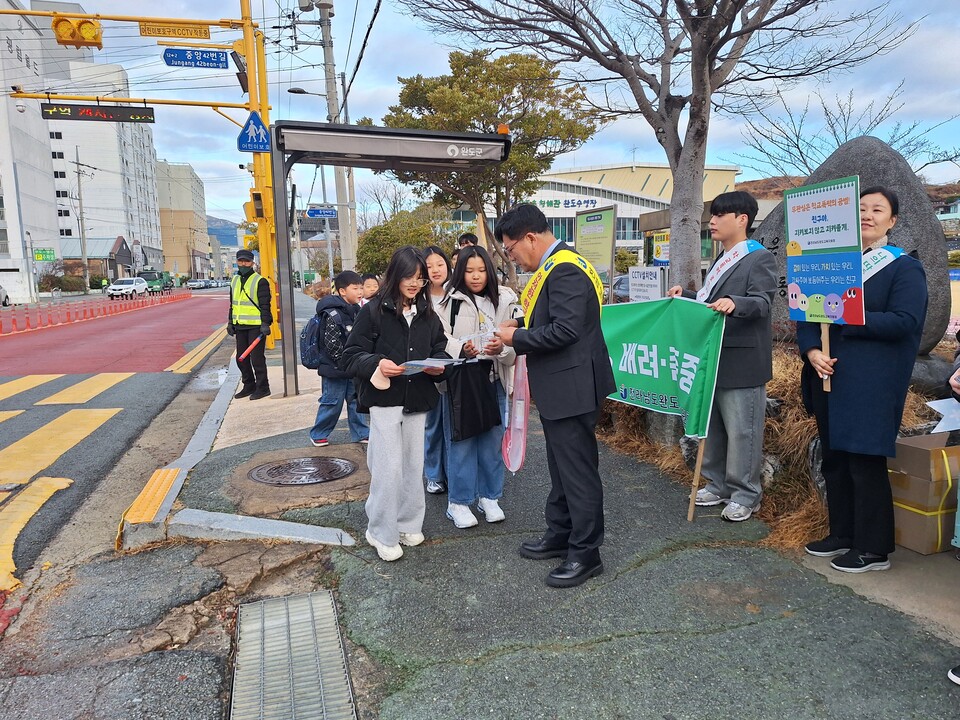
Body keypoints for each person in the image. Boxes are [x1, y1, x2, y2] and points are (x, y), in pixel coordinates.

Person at [800, 186, 927, 573]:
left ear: (893, 220)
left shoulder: (903, 267)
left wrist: (849, 316)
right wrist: (811, 351)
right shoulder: (834, 263)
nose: (867, 216)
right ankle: (843, 533)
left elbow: (906, 322)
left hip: (871, 382)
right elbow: (807, 311)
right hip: (829, 375)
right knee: (835, 459)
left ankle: (873, 548)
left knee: (864, 462)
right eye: (861, 210)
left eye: (877, 210)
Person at [496, 203, 614, 589]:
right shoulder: (559, 264)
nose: (512, 257)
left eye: (511, 249)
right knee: (562, 467)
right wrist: (523, 323)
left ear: (530, 237)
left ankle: (585, 553)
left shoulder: (564, 269)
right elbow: (555, 318)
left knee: (577, 471)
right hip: (564, 385)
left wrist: (519, 337)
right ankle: (560, 533)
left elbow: (566, 331)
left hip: (573, 386)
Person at [667, 190, 777, 522]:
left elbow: (762, 301)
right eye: (712, 216)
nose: (711, 222)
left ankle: (746, 493)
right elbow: (708, 300)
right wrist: (685, 295)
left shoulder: (758, 258)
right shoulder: (720, 258)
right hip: (712, 358)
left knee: (743, 430)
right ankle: (717, 484)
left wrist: (736, 302)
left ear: (742, 219)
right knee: (711, 426)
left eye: (719, 216)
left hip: (742, 361)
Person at [341, 246, 449, 562]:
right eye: (409, 277)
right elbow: (349, 356)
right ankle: (380, 530)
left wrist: (437, 364)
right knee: (388, 468)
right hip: (384, 398)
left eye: (420, 278)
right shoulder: (373, 311)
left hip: (418, 398)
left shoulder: (429, 315)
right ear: (395, 275)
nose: (415, 284)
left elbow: (441, 348)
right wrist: (377, 363)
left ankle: (408, 523)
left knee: (414, 466)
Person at [440, 244, 519, 528]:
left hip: (493, 379)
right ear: (460, 271)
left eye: (482, 270)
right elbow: (440, 339)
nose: (476, 276)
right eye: (470, 270)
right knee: (461, 443)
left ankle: (489, 496)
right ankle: (458, 502)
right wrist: (462, 348)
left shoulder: (504, 300)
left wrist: (502, 348)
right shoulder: (448, 302)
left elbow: (513, 347)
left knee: (491, 442)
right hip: (462, 382)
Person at [309, 270, 369, 448]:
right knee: (331, 402)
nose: (360, 292)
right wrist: (346, 362)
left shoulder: (357, 310)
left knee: (355, 400)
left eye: (361, 288)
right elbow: (331, 343)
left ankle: (361, 432)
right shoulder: (332, 313)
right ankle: (319, 433)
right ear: (343, 291)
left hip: (352, 366)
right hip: (334, 368)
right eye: (355, 288)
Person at [422, 246, 452, 495]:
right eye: (429, 265)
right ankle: (433, 474)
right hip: (429, 369)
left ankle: (452, 472)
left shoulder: (458, 294)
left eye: (440, 264)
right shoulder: (419, 298)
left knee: (454, 425)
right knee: (433, 424)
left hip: (456, 367)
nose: (435, 270)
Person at [227, 249, 272, 400]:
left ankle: (263, 387)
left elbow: (265, 305)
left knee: (257, 359)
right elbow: (232, 304)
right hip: (240, 326)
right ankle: (249, 385)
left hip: (256, 327)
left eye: (246, 261)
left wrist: (266, 323)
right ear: (237, 262)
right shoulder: (234, 280)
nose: (243, 264)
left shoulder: (260, 281)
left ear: (252, 263)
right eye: (240, 261)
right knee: (241, 358)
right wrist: (230, 322)